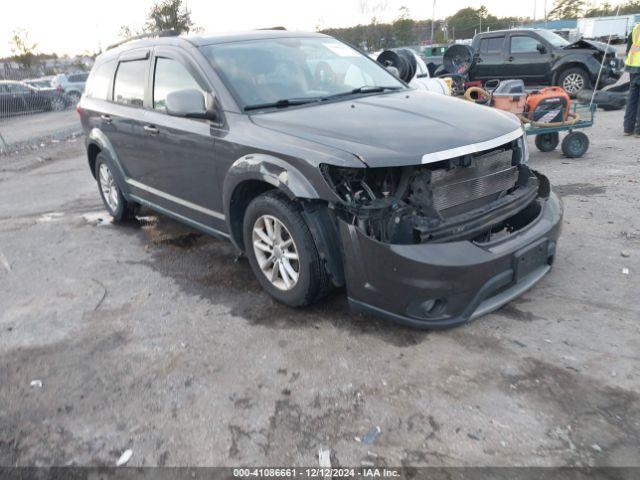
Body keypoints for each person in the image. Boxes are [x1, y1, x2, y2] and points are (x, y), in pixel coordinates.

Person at [624, 21, 640, 136]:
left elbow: (628, 49)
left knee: (632, 97)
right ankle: (639, 130)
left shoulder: (635, 28)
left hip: (632, 65)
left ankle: (628, 128)